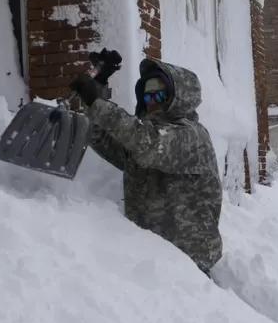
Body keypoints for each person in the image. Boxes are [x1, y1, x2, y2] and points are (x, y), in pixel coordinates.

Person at [70, 52, 223, 275]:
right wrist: (98, 88)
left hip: (189, 263)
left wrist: (98, 103)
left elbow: (149, 144)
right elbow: (101, 138)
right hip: (152, 262)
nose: (152, 104)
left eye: (159, 96)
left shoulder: (191, 136)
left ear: (178, 98)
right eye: (147, 97)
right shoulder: (145, 138)